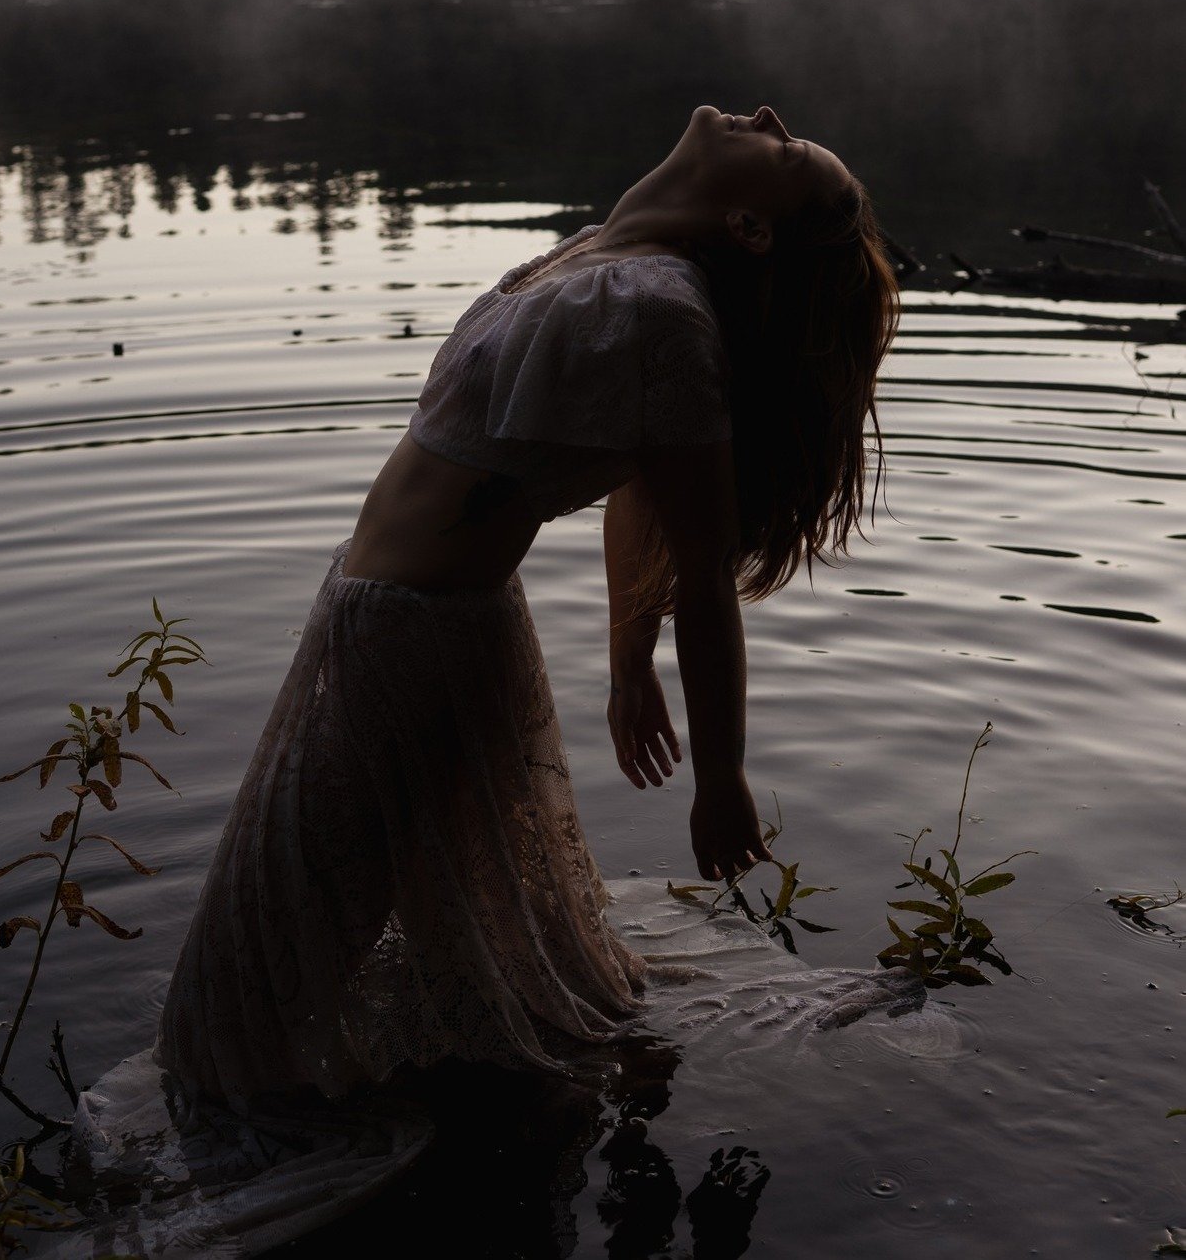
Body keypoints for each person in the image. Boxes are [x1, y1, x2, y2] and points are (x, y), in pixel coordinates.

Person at [153, 103, 899, 1113]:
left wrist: (718, 775)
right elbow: (637, 478)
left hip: (415, 637)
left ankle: (288, 1115)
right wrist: (626, 660)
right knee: (291, 928)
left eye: (787, 146)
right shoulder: (611, 261)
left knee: (258, 957)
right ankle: (349, 1090)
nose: (766, 116)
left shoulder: (661, 311)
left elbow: (704, 570)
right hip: (384, 617)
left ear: (752, 227)